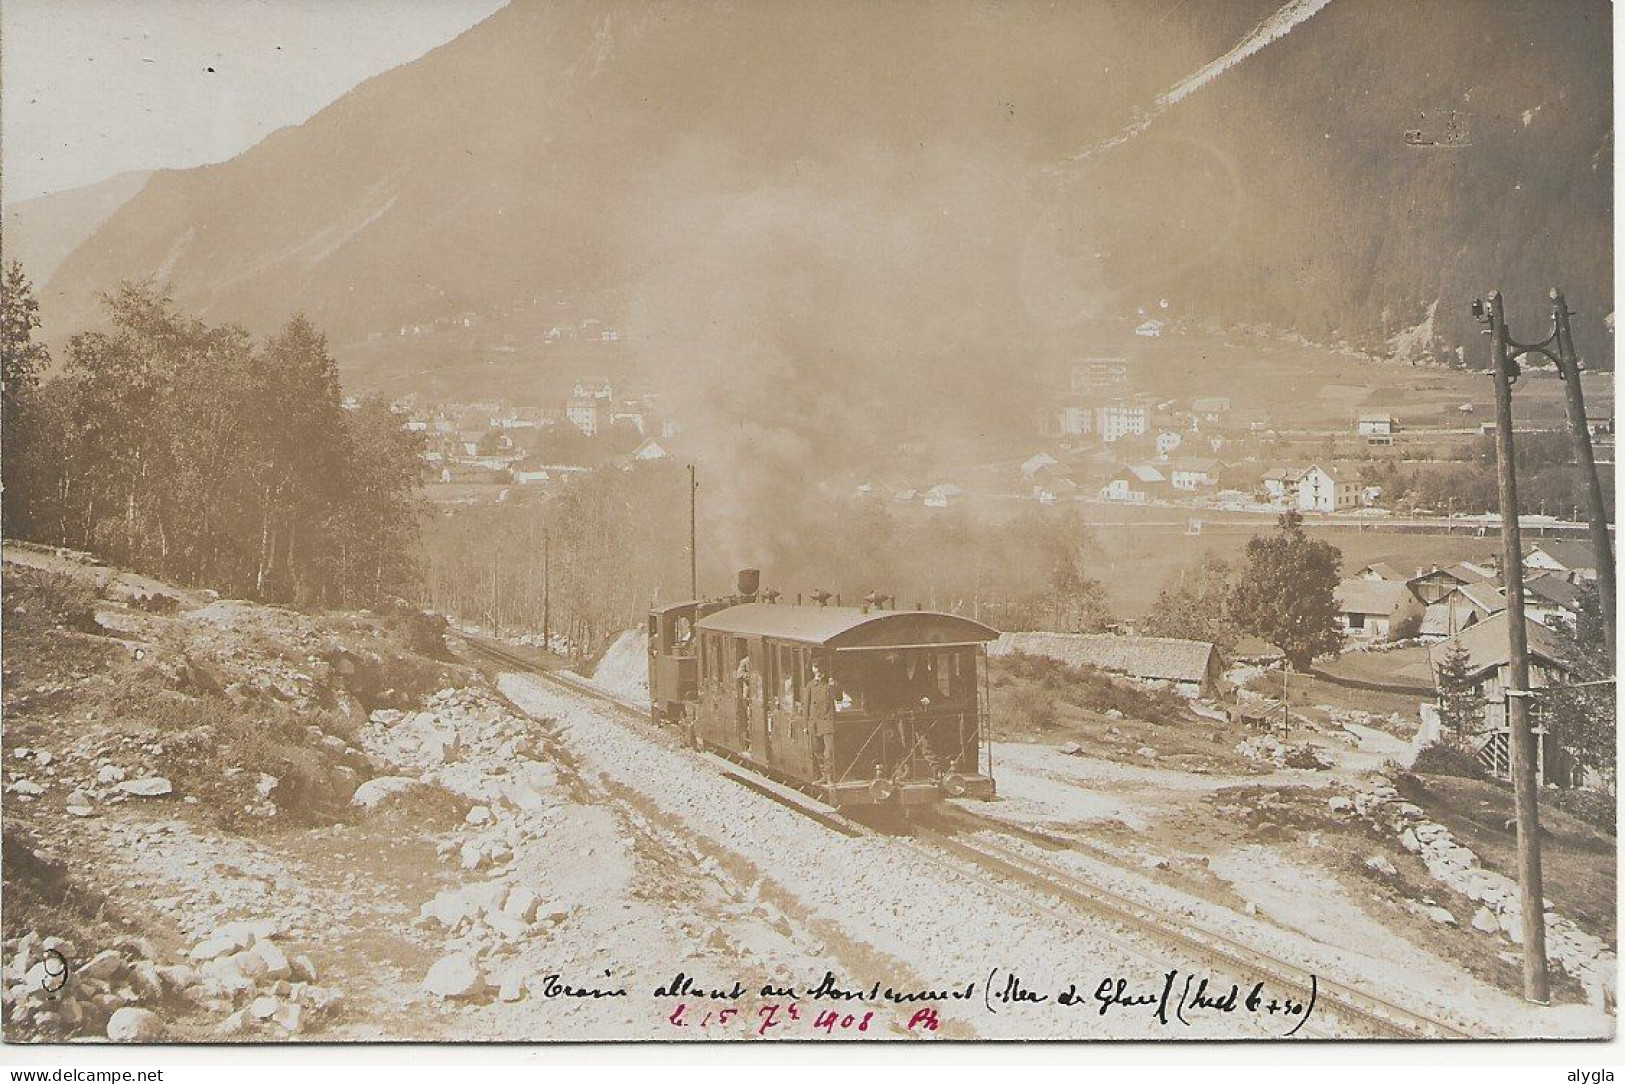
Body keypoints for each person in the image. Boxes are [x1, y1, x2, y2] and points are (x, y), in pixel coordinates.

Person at [804, 661, 837, 782]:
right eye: (815, 668)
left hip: (827, 723)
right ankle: (823, 775)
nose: (818, 671)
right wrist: (805, 725)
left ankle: (829, 777)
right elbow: (806, 706)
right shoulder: (810, 686)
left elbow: (838, 697)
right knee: (817, 750)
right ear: (813, 670)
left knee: (829, 751)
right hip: (814, 723)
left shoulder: (829, 684)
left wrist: (833, 687)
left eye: (820, 669)